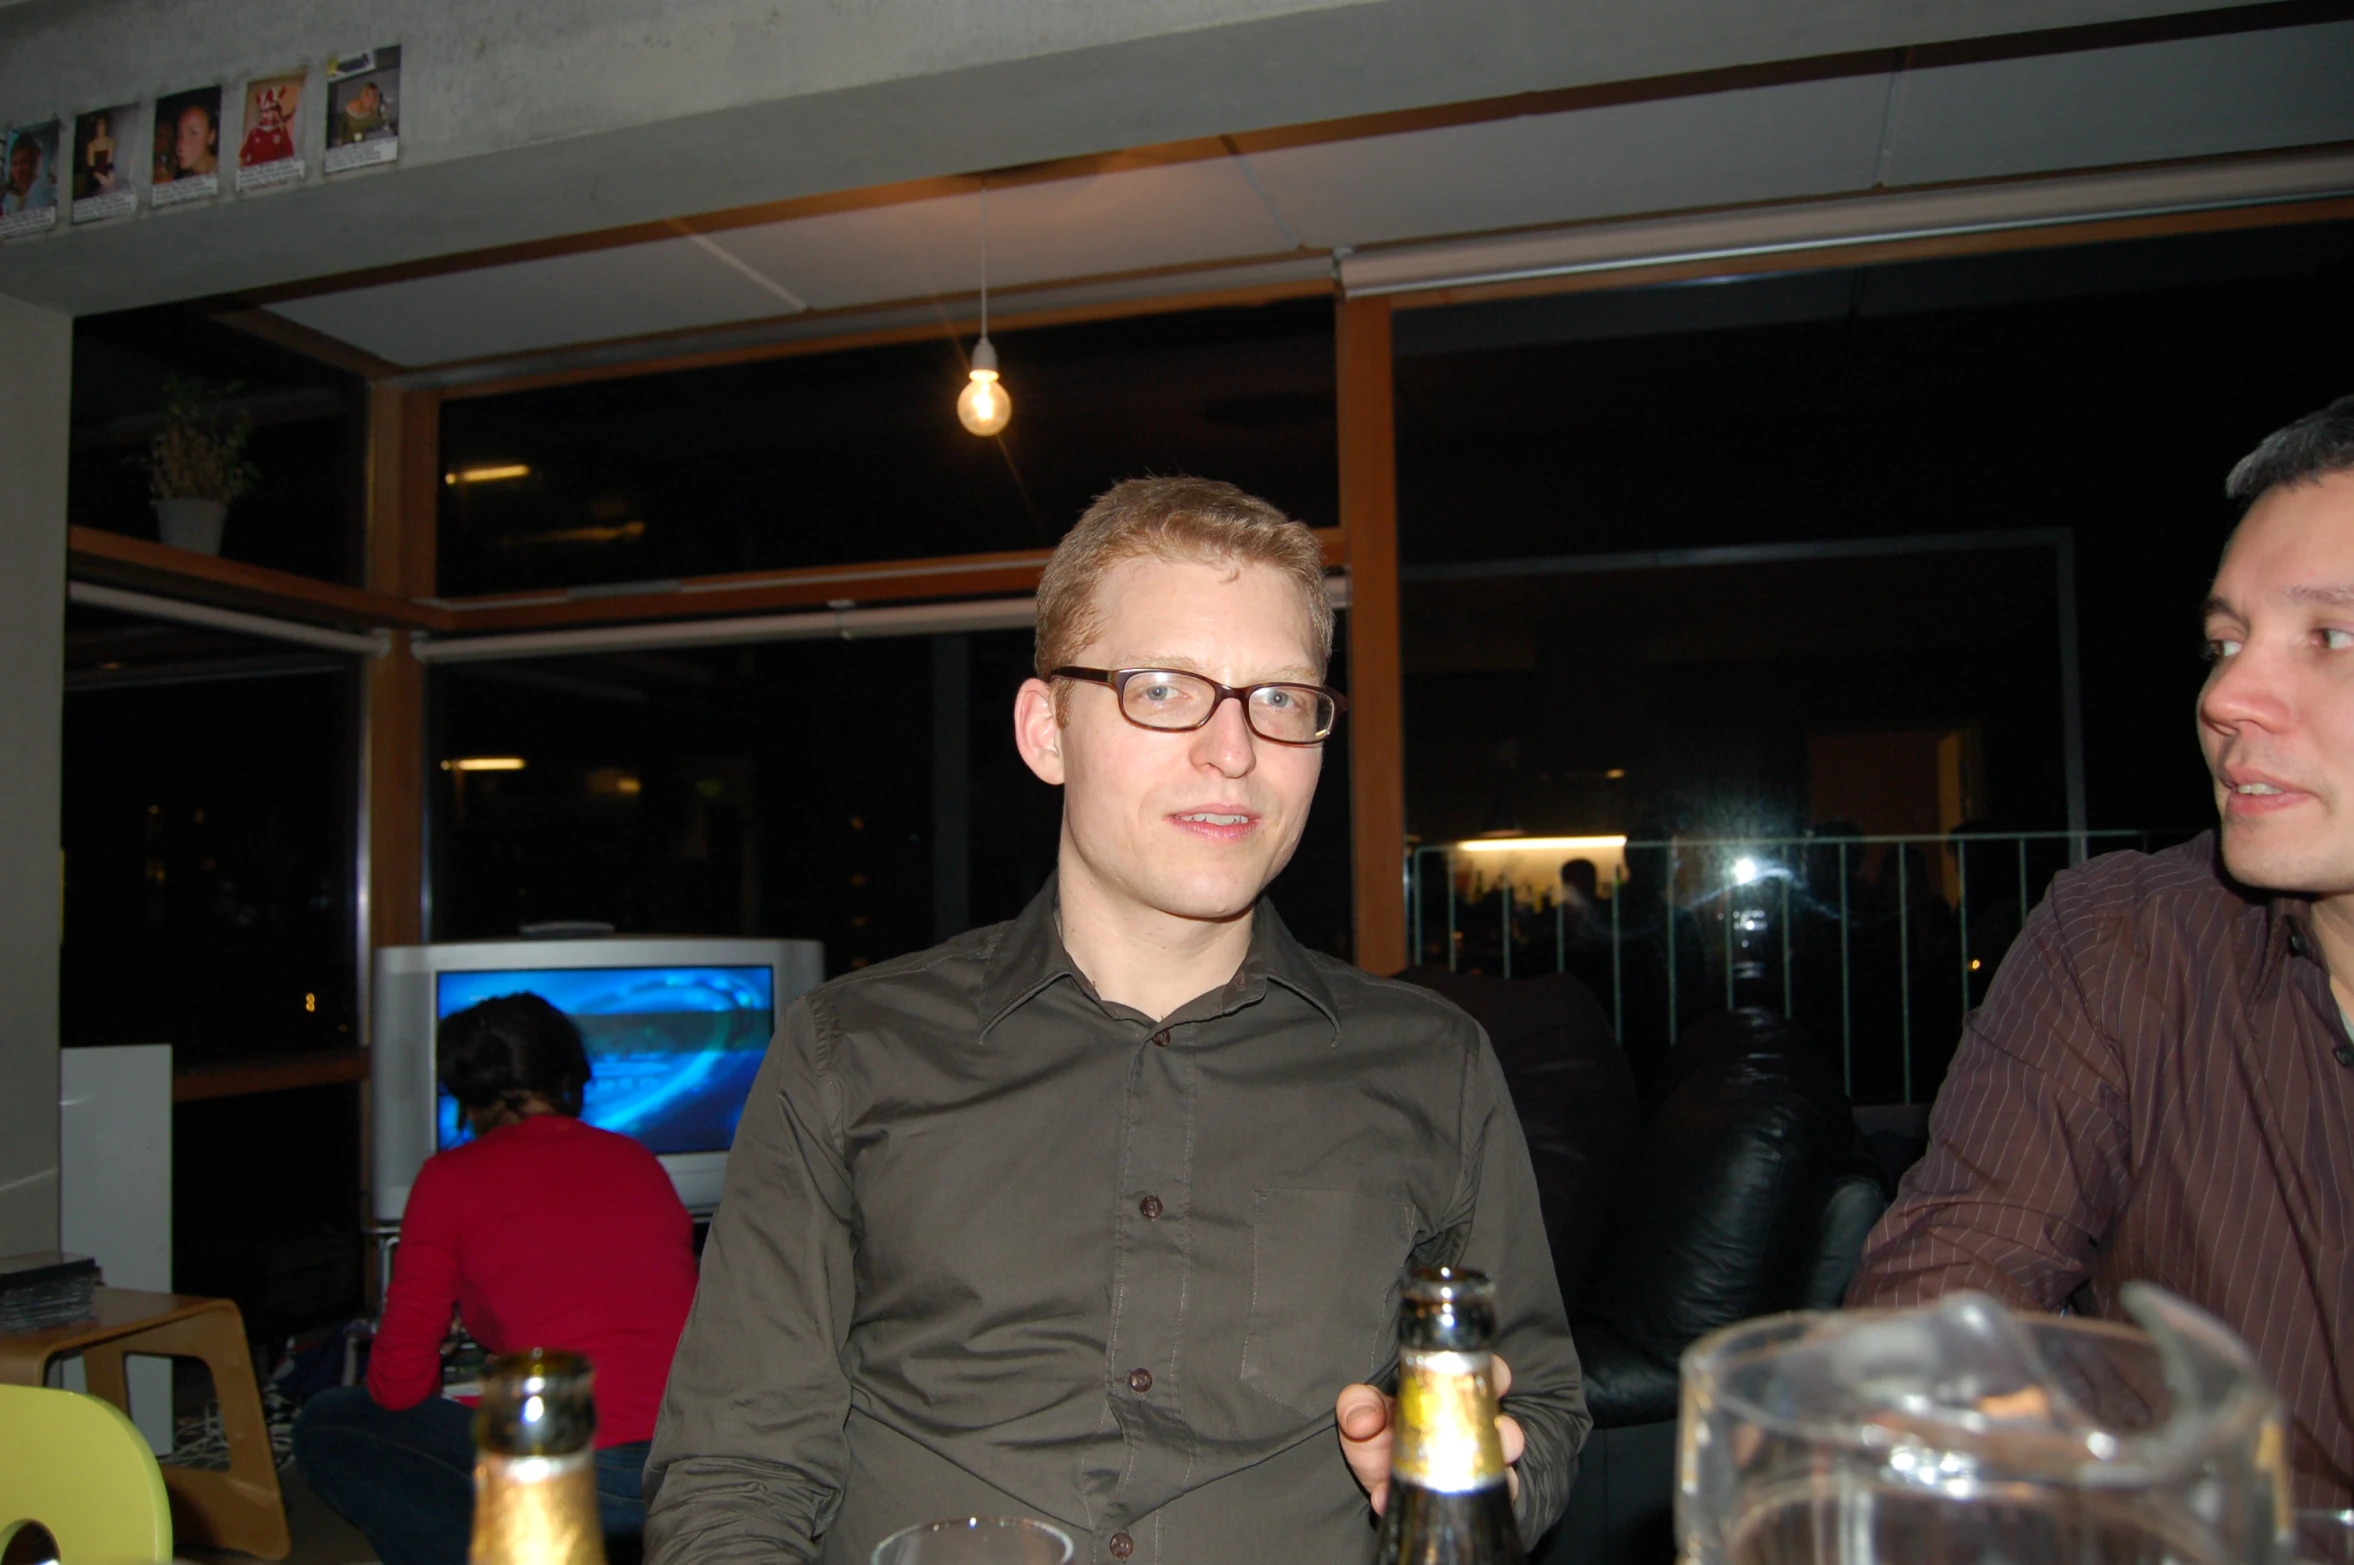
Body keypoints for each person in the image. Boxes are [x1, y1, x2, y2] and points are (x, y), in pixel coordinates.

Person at [646, 477, 1587, 1562]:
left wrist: (1460, 1472)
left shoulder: (1433, 1063)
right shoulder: (843, 1052)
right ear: (1046, 728)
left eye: (1280, 698)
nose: (1234, 751)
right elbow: (735, 1472)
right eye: (1163, 688)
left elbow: (1547, 1410)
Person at [1848, 395, 2354, 1509]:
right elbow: (1926, 1329)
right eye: (2222, 642)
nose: (2223, 696)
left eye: (2329, 636)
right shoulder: (2123, 940)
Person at [294, 993, 699, 1565]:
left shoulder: (447, 1179)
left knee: (331, 1422)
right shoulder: (636, 1159)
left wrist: (446, 1335)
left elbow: (398, 1387)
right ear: (566, 1072)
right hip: (691, 1469)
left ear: (465, 1089)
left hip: (583, 1474)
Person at [240, 87, 294, 167]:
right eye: (262, 111)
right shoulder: (254, 132)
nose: (265, 115)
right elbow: (242, 157)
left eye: (268, 110)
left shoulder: (281, 131)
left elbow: (290, 155)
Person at [2, 131, 53, 215]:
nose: (18, 170)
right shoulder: (9, 197)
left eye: (24, 162)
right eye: (15, 164)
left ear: (33, 163)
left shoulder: (41, 187)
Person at [165, 99, 217, 181]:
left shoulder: (230, 169)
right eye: (179, 135)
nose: (181, 145)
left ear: (211, 137)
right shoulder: (186, 183)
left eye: (194, 133)